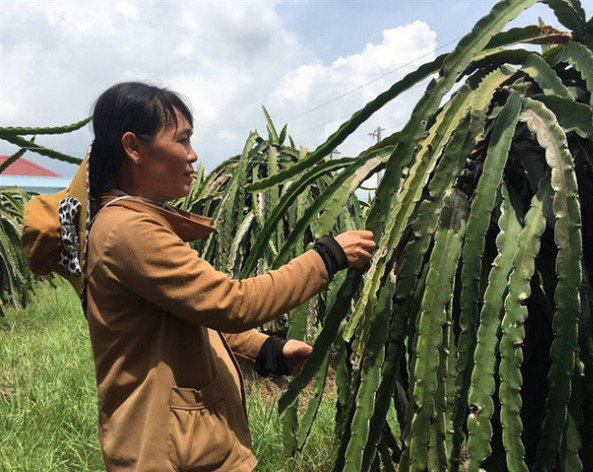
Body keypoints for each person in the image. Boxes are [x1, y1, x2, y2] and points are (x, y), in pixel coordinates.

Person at [81, 81, 376, 471]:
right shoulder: (129, 230)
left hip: (189, 445)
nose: (193, 155)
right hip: (168, 455)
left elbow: (193, 311)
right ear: (133, 147)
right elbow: (232, 303)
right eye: (182, 141)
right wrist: (328, 257)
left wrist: (266, 350)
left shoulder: (136, 221)